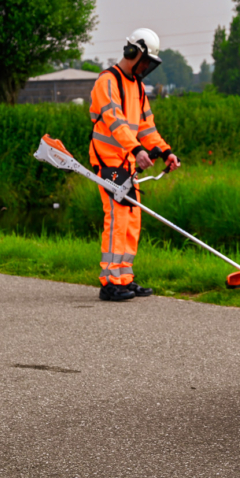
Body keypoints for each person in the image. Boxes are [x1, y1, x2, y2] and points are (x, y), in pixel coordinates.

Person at [88, 28, 180, 301]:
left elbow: (145, 126)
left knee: (132, 219)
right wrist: (137, 149)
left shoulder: (138, 88)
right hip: (107, 162)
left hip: (127, 164)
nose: (147, 67)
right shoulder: (107, 81)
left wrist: (165, 152)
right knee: (116, 219)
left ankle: (124, 277)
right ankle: (109, 282)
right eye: (145, 61)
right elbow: (115, 122)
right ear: (133, 52)